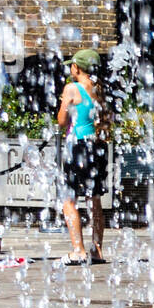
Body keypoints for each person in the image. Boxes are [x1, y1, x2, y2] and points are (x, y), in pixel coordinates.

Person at [57, 48, 108, 265]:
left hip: (77, 146)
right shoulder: (99, 89)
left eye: (72, 65)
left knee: (69, 200)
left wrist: (64, 104)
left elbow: (61, 121)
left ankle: (78, 250)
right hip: (96, 147)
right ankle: (97, 250)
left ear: (77, 68)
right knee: (94, 200)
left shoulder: (72, 88)